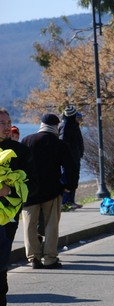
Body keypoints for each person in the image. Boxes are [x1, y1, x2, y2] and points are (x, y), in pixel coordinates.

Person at [21, 113, 76, 268]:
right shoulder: (59, 144)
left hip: (29, 191)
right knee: (51, 224)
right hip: (52, 190)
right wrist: (68, 185)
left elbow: (20, 165)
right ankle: (50, 258)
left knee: (29, 225)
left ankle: (33, 258)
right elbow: (70, 167)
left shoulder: (27, 140)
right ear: (56, 126)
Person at [0, 108, 34, 306]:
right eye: (2, 122)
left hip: (7, 217)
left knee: (1, 266)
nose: (6, 126)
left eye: (8, 122)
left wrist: (11, 191)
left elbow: (33, 182)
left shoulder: (19, 151)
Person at [59, 105, 85, 210]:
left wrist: (79, 152)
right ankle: (65, 201)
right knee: (67, 179)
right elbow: (63, 142)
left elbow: (78, 141)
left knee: (74, 179)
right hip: (68, 159)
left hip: (75, 156)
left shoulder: (74, 125)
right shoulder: (65, 126)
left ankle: (71, 200)